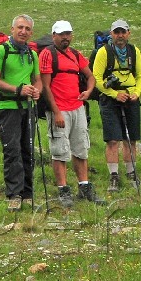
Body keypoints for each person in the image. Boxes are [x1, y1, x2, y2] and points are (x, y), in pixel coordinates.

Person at [40, 20, 102, 208]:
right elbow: (45, 86)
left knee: (81, 147)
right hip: (59, 110)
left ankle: (84, 186)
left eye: (68, 34)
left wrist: (88, 91)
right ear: (54, 36)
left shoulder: (75, 54)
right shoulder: (47, 54)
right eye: (61, 34)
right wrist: (56, 112)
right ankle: (63, 190)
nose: (65, 37)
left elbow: (90, 76)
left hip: (77, 107)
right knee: (60, 150)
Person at [0, 15, 42, 211]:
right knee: (12, 151)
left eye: (27, 29)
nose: (23, 31)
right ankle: (13, 194)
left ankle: (27, 193)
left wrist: (37, 91)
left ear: (31, 32)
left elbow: (38, 80)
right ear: (12, 29)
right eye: (20, 27)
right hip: (7, 108)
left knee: (28, 150)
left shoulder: (32, 54)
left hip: (28, 108)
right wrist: (17, 89)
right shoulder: (1, 51)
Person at [91, 19, 141, 193]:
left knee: (131, 139)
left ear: (128, 33)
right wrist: (115, 94)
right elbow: (97, 79)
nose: (120, 35)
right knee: (113, 139)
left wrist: (137, 93)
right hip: (110, 99)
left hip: (131, 98)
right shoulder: (103, 52)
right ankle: (114, 176)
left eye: (123, 32)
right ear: (111, 34)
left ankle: (131, 174)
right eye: (116, 32)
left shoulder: (134, 51)